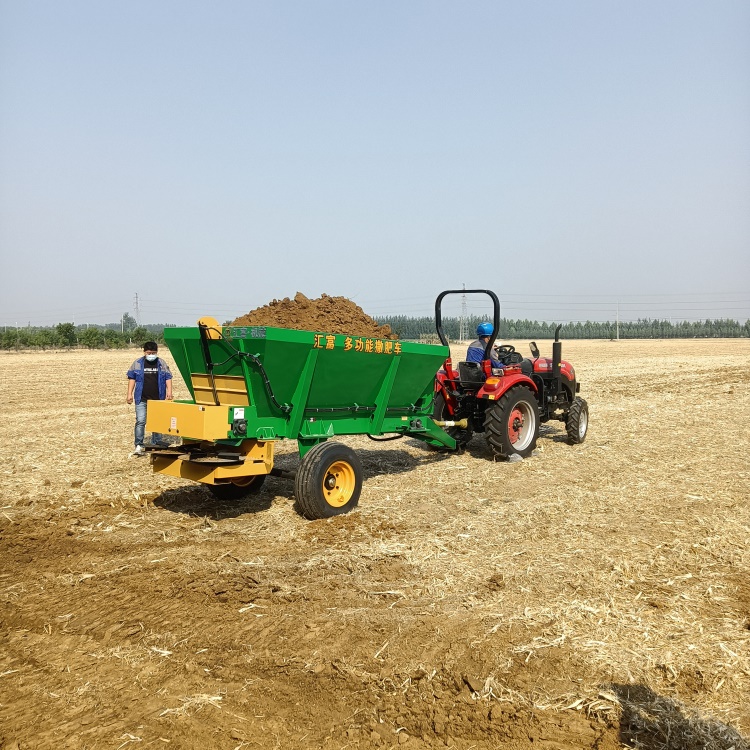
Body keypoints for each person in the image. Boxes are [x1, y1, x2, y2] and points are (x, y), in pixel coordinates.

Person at [127, 341, 173, 455]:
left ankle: (156, 442)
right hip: (141, 398)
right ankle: (138, 445)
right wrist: (129, 394)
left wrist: (169, 392)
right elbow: (132, 379)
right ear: (144, 352)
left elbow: (168, 377)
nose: (151, 355)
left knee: (157, 421)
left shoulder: (161, 363)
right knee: (140, 421)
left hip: (158, 398)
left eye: (153, 352)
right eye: (149, 352)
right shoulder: (137, 363)